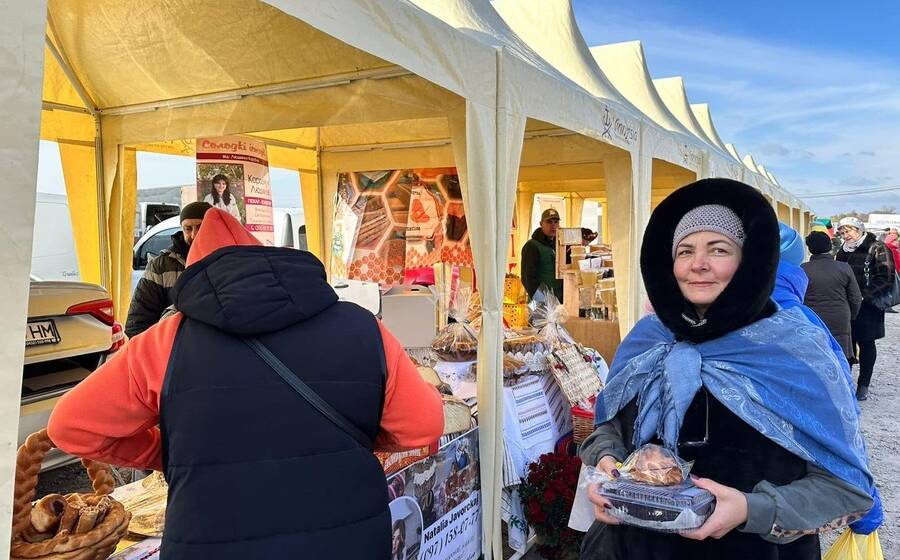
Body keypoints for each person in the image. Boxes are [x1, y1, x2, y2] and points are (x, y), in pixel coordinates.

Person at [48, 209, 444, 559]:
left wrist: (164, 452)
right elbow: (424, 425)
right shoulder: (362, 327)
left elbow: (70, 425)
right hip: (349, 539)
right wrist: (356, 440)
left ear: (197, 275)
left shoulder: (163, 342)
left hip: (208, 539)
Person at [580, 179, 880, 560]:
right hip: (633, 547)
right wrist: (606, 465)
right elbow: (608, 429)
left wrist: (749, 509)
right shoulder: (648, 341)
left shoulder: (793, 351)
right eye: (685, 250)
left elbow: (845, 490)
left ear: (749, 261)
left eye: (718, 249)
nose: (697, 264)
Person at [125, 201, 211, 338]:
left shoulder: (229, 262)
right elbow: (137, 324)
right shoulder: (160, 266)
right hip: (174, 353)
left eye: (201, 227)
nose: (194, 235)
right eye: (188, 228)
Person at [835, 217, 894, 400]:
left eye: (849, 231)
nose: (846, 235)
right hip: (846, 304)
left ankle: (863, 384)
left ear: (859, 229)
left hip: (869, 306)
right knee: (847, 343)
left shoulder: (877, 247)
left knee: (867, 343)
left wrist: (864, 295)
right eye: (843, 232)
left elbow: (886, 277)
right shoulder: (843, 251)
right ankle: (846, 381)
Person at [802, 231, 862, 362]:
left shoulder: (803, 269)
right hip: (840, 318)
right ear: (829, 246)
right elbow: (856, 297)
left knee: (816, 356)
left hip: (811, 318)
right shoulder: (844, 267)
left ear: (809, 248)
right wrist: (852, 315)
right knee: (841, 356)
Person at [521, 208, 562, 301]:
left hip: (559, 300)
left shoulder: (559, 245)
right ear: (541, 224)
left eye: (556, 222)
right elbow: (527, 278)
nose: (553, 225)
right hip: (542, 303)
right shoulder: (532, 246)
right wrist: (542, 300)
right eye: (549, 222)